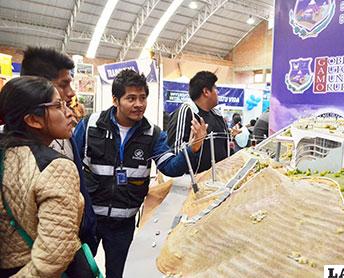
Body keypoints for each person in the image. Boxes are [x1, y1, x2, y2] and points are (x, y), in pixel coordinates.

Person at [73, 69, 206, 278]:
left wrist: (193, 148)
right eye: (131, 98)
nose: (138, 104)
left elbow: (169, 167)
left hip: (123, 225)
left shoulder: (152, 134)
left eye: (142, 98)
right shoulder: (91, 125)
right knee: (80, 272)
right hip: (89, 220)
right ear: (116, 100)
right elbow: (70, 162)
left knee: (118, 274)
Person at [0, 77, 84, 276]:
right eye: (58, 106)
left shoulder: (7, 153)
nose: (69, 113)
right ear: (33, 120)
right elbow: (53, 257)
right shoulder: (56, 167)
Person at [21, 46, 97, 252]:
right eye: (64, 84)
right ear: (38, 86)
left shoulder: (65, 135)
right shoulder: (13, 154)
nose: (71, 93)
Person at [167, 71, 239, 173]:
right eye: (215, 88)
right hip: (194, 182)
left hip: (220, 179)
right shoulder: (187, 112)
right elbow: (175, 153)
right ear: (206, 91)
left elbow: (226, 146)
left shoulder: (217, 115)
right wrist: (195, 144)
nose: (217, 92)